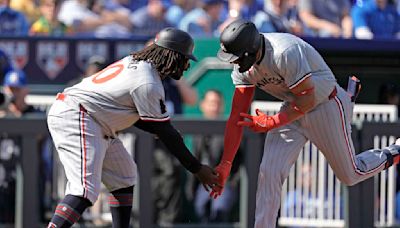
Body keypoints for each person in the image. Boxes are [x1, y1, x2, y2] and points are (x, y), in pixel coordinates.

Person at [210, 19, 400, 228]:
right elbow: (236, 116)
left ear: (251, 49)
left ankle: (394, 149)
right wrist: (226, 164)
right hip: (293, 107)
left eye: (237, 57)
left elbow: (308, 100)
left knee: (351, 174)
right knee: (269, 172)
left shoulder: (284, 51)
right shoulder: (243, 69)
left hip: (324, 103)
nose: (234, 62)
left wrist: (272, 121)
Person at [46, 27, 220, 228]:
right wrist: (198, 169)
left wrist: (160, 130)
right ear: (171, 55)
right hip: (78, 115)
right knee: (84, 190)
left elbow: (134, 113)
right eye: (184, 58)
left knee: (124, 175)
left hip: (92, 118)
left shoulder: (137, 64)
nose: (187, 65)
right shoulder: (147, 82)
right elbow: (165, 132)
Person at [189, 89, 242, 222]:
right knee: (201, 209)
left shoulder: (230, 129)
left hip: (226, 183)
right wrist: (191, 187)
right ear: (203, 105)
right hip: (204, 183)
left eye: (218, 103)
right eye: (211, 103)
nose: (214, 107)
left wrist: (233, 182)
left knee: (219, 211)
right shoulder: (198, 131)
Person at [0, 70, 45, 223]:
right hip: (3, 177)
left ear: (26, 90)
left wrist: (15, 115)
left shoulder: (35, 113)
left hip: (28, 178)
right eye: (10, 89)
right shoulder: (2, 111)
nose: (14, 94)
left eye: (17, 89)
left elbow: (39, 136)